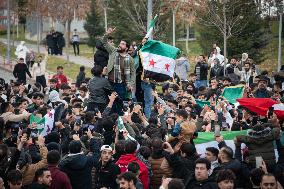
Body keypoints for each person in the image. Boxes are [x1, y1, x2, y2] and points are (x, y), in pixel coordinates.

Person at [101, 27, 135, 102]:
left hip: (120, 85)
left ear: (126, 48)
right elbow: (104, 42)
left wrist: (131, 84)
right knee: (108, 102)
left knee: (119, 104)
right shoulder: (113, 50)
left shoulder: (130, 59)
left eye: (122, 44)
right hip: (109, 83)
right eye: (120, 43)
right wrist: (107, 34)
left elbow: (133, 73)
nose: (120, 45)